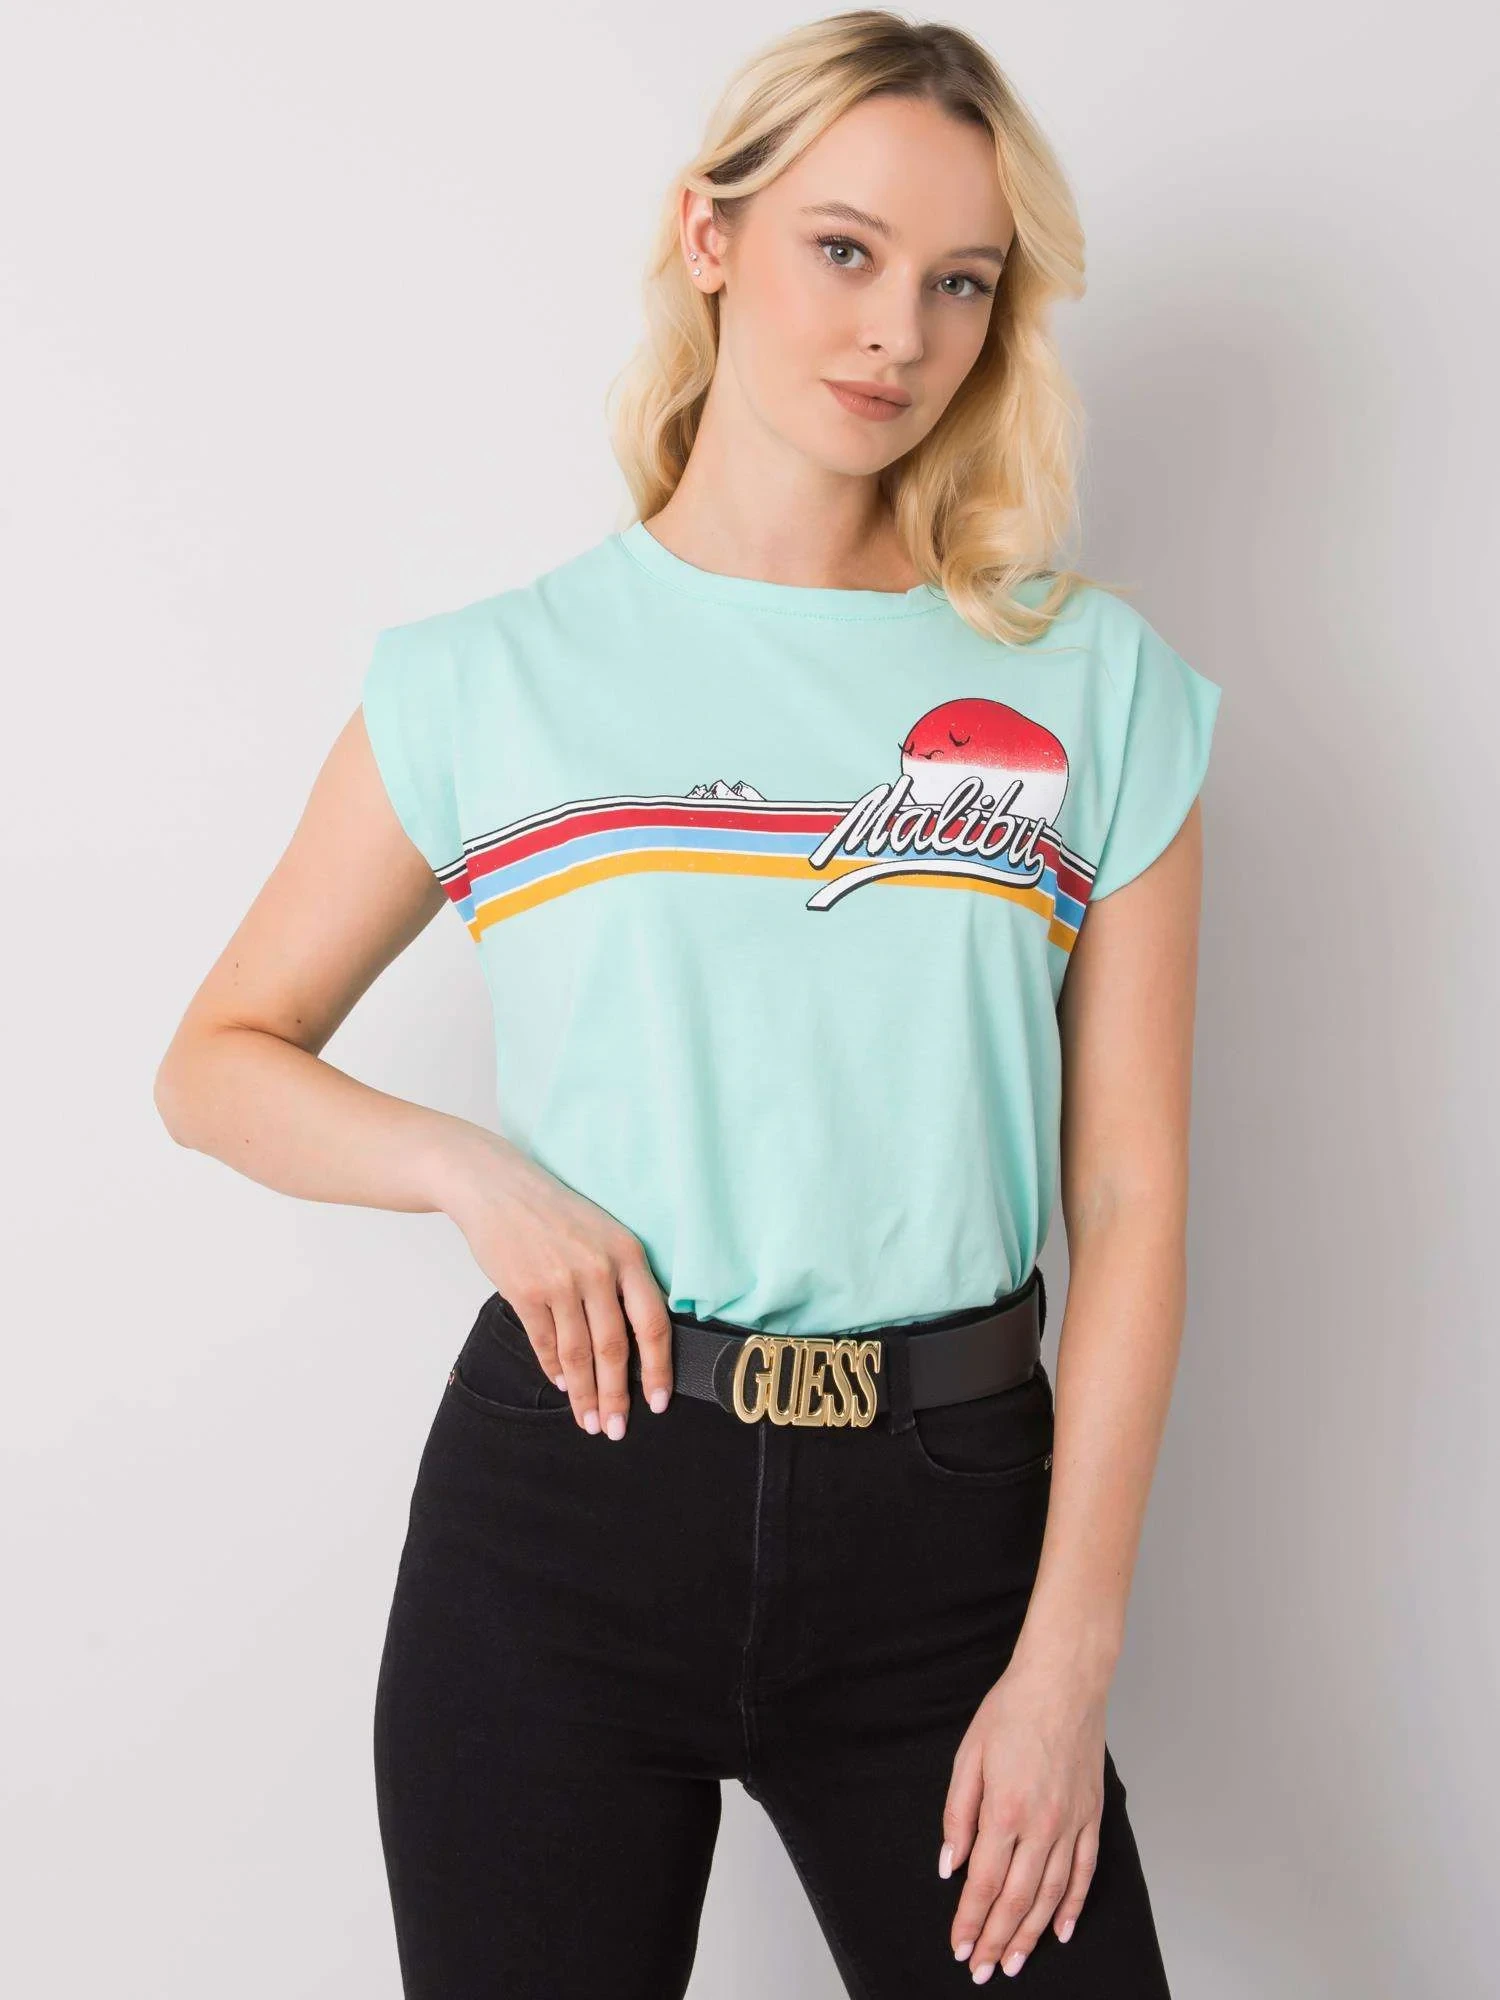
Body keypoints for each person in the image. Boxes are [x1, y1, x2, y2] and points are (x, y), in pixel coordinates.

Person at [154, 12, 1222, 1996]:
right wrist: (473, 1173)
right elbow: (215, 1062)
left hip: (953, 1534)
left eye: (960, 281)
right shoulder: (491, 680)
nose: (898, 331)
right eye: (844, 249)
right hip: (566, 1509)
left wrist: (1065, 1659)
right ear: (709, 235)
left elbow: (1134, 1201)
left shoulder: (1096, 688)